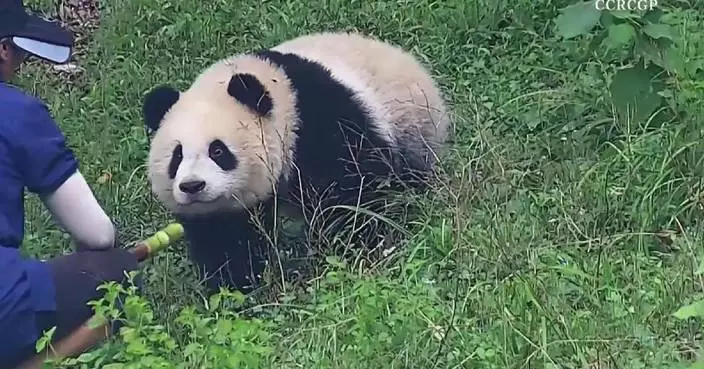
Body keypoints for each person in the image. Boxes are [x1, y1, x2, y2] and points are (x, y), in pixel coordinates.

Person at [0, 0, 141, 367]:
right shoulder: (15, 111)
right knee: (119, 275)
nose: (20, 65)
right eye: (18, 53)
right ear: (2, 50)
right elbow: (97, 234)